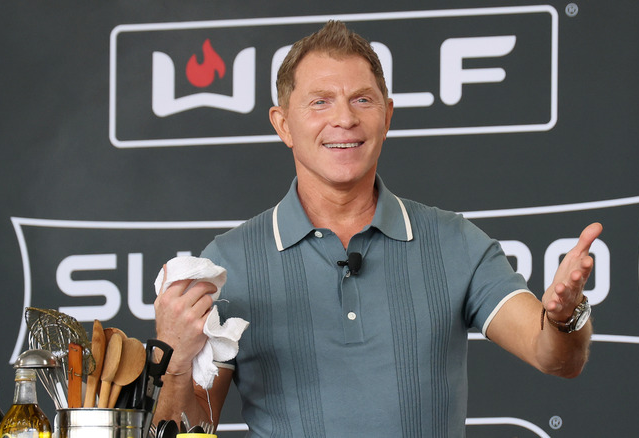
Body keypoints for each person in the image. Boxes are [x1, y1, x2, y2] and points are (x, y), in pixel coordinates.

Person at [153, 20, 601, 437]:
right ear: (283, 124)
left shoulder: (455, 242)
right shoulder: (228, 264)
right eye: (320, 101)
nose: (344, 119)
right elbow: (192, 430)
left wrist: (565, 318)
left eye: (362, 99)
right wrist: (174, 362)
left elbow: (555, 356)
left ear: (387, 115)